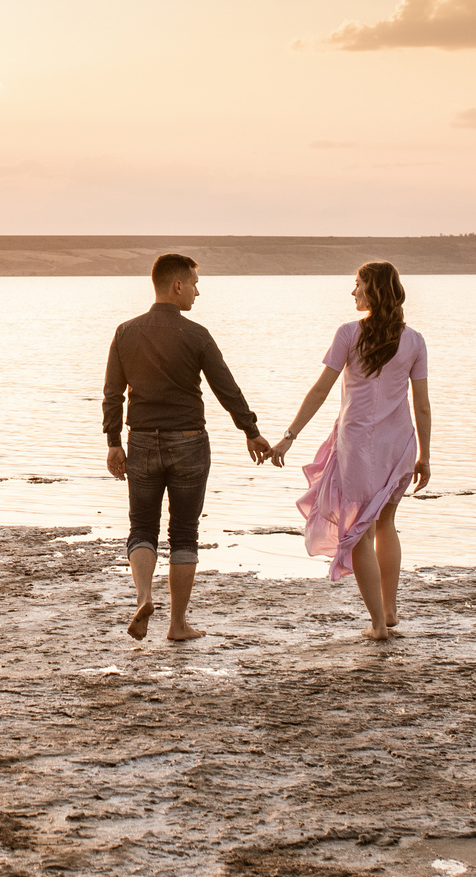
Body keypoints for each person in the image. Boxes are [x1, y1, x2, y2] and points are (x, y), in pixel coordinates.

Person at [103, 254, 270, 642]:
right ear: (177, 285)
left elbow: (113, 394)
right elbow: (225, 387)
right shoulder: (196, 335)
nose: (197, 291)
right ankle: (177, 625)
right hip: (189, 442)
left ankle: (144, 597)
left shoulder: (125, 332)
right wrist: (250, 430)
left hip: (141, 441)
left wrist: (113, 442)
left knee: (142, 527)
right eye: (194, 283)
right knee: (184, 533)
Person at [266, 261, 431, 641]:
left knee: (359, 532)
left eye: (357, 285)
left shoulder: (348, 333)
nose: (353, 292)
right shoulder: (414, 340)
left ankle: (378, 626)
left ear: (373, 291)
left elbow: (320, 390)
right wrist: (425, 455)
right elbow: (422, 406)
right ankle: (389, 611)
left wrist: (289, 436)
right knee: (385, 524)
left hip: (358, 446)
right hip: (399, 445)